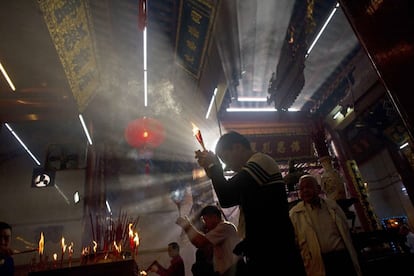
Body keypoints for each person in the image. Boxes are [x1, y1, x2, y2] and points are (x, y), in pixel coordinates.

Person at [194, 131, 306, 275]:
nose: (227, 164)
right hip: (267, 250)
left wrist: (214, 167)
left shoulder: (261, 161)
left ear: (238, 147)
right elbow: (228, 195)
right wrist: (212, 169)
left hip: (275, 250)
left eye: (225, 157)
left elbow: (226, 197)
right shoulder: (253, 168)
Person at [289, 174, 362, 276]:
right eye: (301, 189)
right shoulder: (295, 214)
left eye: (308, 187)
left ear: (318, 189)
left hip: (342, 259)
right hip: (318, 264)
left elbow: (345, 230)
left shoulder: (332, 206)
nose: (305, 190)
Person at [176, 205, 241, 276]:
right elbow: (198, 244)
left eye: (205, 220)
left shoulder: (225, 226)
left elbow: (200, 242)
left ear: (213, 217)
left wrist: (187, 226)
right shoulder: (221, 229)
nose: (205, 224)